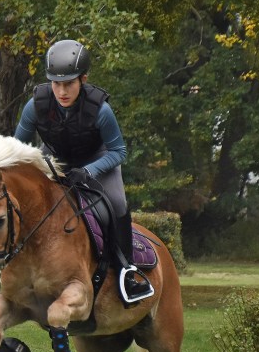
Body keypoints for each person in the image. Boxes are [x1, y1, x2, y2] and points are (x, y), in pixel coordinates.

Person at [14, 39, 154, 303]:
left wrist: (88, 171)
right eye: (56, 83)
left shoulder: (101, 110)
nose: (62, 91)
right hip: (55, 159)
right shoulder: (35, 106)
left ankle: (127, 271)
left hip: (97, 160)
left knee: (118, 203)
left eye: (69, 83)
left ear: (83, 79)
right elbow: (16, 148)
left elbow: (119, 151)